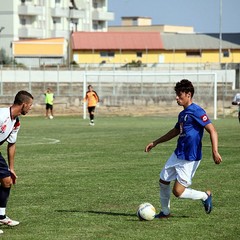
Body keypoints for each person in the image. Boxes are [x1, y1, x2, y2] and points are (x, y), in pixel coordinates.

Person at [145, 79, 222, 218]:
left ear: (188, 94)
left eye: (179, 95)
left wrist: (215, 151)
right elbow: (175, 131)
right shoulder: (182, 114)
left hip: (190, 158)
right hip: (178, 153)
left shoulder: (197, 111)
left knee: (178, 192)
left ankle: (205, 196)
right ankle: (165, 212)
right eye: (176, 95)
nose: (176, 98)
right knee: (163, 180)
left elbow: (213, 130)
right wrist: (156, 142)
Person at [0, 90, 33, 234]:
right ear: (24, 104)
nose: (30, 108)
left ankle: (1, 215)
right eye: (30, 105)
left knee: (7, 181)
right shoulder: (1, 115)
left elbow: (11, 144)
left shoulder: (16, 122)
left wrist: (11, 168)